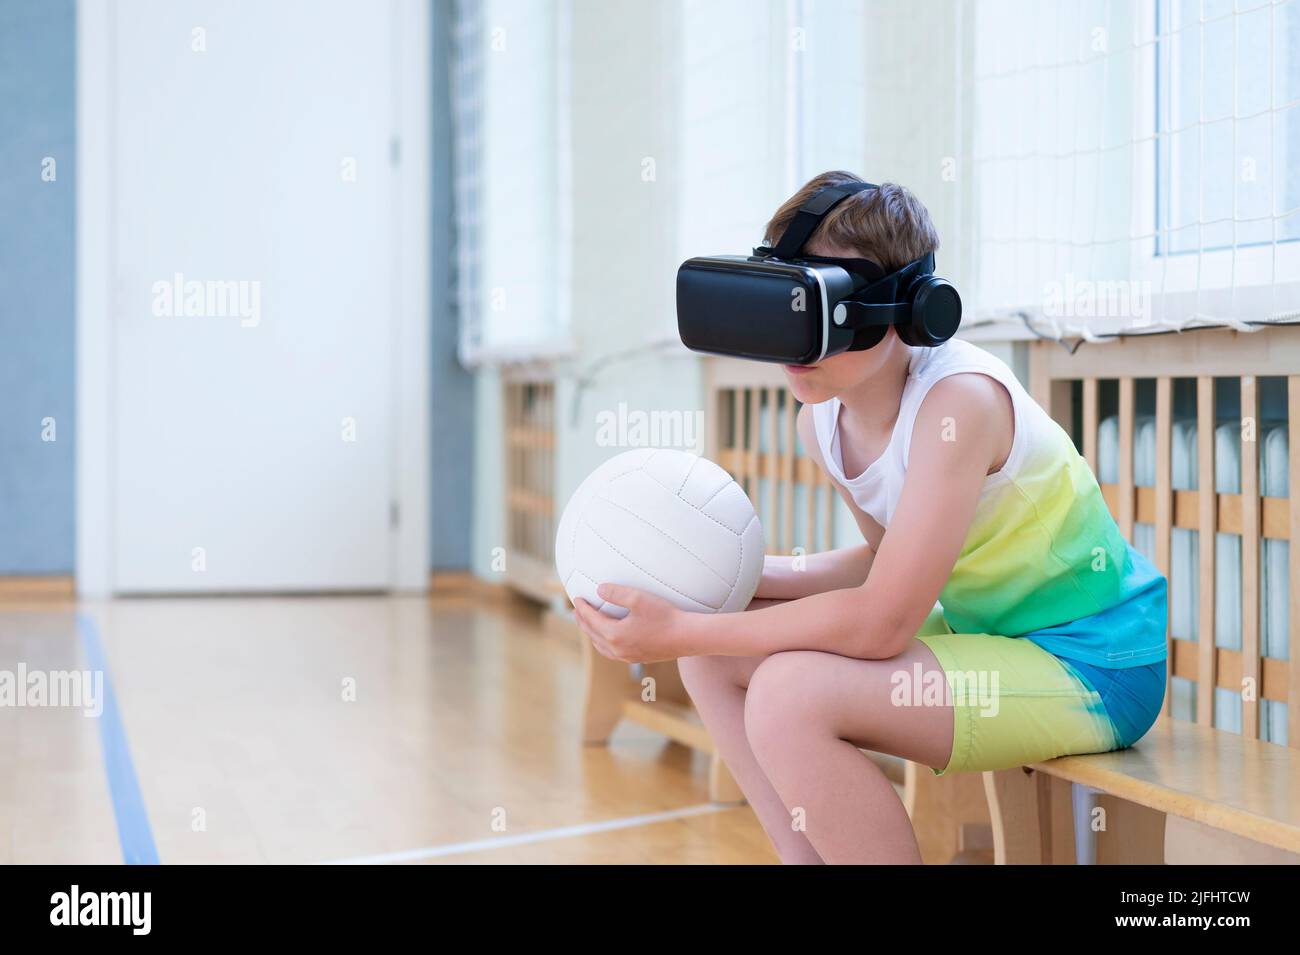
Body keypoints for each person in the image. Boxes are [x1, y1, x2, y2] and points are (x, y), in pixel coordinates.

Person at [571, 171, 1168, 864]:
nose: (796, 346)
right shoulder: (821, 419)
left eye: (817, 313)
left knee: (787, 694)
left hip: (1093, 662)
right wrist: (718, 581)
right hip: (992, 634)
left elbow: (884, 620)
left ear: (908, 311)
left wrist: (678, 628)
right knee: (711, 644)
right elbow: (888, 564)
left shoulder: (959, 405)